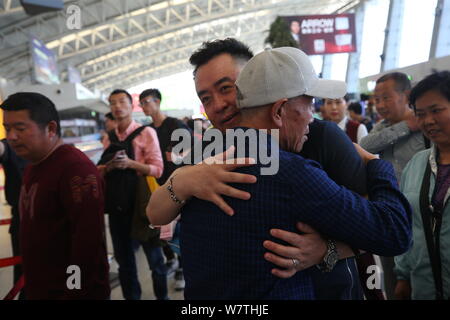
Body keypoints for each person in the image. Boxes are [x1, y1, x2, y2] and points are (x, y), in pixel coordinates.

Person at [148, 47, 412, 299]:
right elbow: (392, 231)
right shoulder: (208, 153)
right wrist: (183, 181)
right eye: (205, 98)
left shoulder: (319, 137)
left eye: (227, 88)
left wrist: (327, 250)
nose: (217, 105)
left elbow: (368, 222)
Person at [1, 92, 110, 299]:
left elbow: (87, 246)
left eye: (20, 128)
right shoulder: (34, 165)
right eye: (8, 128)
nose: (12, 136)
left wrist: (74, 291)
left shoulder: (75, 170)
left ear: (50, 129)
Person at [360, 72, 427, 299]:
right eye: (376, 99)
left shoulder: (426, 129)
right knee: (392, 279)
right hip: (392, 213)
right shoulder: (383, 128)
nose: (380, 105)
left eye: (386, 98)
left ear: (405, 95)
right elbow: (365, 145)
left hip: (423, 215)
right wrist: (405, 127)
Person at [99, 89, 168, 300]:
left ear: (131, 106)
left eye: (122, 102)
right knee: (124, 263)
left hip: (142, 206)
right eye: (113, 103)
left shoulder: (146, 133)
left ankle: (162, 297)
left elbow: (158, 169)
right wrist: (109, 167)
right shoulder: (108, 138)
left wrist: (130, 164)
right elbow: (99, 169)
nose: (117, 106)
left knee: (155, 260)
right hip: (118, 206)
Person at [394, 71, 450, 300]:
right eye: (420, 114)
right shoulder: (417, 164)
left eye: (436, 111)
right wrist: (403, 276)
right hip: (423, 288)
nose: (427, 121)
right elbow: (408, 224)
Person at [139, 88, 192, 291]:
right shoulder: (147, 130)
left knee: (178, 230)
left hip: (177, 184)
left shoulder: (175, 125)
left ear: (158, 102)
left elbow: (187, 156)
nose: (144, 106)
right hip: (156, 185)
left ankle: (182, 269)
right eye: (141, 103)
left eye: (147, 101)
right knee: (162, 228)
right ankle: (172, 259)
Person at [0, 139, 28, 299]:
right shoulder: (11, 146)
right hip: (21, 221)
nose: (13, 134)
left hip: (51, 225)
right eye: (7, 127)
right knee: (23, 279)